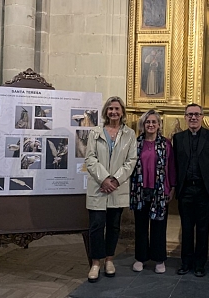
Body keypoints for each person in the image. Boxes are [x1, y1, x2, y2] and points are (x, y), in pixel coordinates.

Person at [85, 96, 137, 282]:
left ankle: (109, 260)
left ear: (122, 112)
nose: (114, 112)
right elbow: (90, 159)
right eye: (110, 109)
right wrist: (104, 178)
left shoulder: (130, 134)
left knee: (114, 226)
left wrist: (115, 179)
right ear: (106, 112)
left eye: (117, 109)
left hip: (117, 187)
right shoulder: (95, 132)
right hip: (99, 187)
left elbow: (131, 161)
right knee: (97, 226)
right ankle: (96, 263)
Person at [173, 103, 209, 277]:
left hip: (203, 190)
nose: (193, 118)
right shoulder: (178, 138)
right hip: (185, 190)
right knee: (186, 228)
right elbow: (176, 164)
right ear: (185, 117)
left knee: (202, 229)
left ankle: (200, 264)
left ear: (202, 116)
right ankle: (186, 263)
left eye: (196, 114)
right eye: (190, 115)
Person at [130, 110, 176, 274]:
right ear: (143, 125)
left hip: (159, 191)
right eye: (147, 122)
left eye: (153, 122)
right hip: (140, 190)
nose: (150, 125)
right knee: (141, 226)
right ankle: (140, 258)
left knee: (159, 226)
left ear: (159, 125)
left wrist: (171, 187)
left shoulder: (166, 144)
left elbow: (170, 166)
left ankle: (159, 259)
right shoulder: (136, 143)